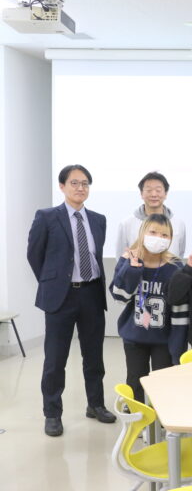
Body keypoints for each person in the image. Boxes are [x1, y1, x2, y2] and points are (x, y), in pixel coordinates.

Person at [27, 164, 115, 437]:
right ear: (62, 186)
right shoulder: (46, 217)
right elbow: (34, 255)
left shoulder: (98, 219)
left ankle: (95, 405)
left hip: (91, 293)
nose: (80, 188)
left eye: (85, 183)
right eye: (74, 183)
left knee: (94, 356)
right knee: (55, 359)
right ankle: (52, 414)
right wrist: (52, 282)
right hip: (61, 297)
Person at [110, 214, 189, 402]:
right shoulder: (128, 260)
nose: (158, 238)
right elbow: (119, 296)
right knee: (135, 380)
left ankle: (160, 417)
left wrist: (178, 347)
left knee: (162, 383)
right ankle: (137, 414)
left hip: (163, 340)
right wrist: (132, 269)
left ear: (171, 239)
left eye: (164, 235)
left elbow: (180, 310)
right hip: (134, 337)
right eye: (153, 232)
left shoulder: (175, 267)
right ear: (142, 233)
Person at [116, 171, 187, 258]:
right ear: (141, 194)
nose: (153, 194)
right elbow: (121, 257)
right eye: (149, 190)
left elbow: (180, 254)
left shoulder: (178, 224)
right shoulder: (126, 224)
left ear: (165, 194)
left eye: (158, 190)